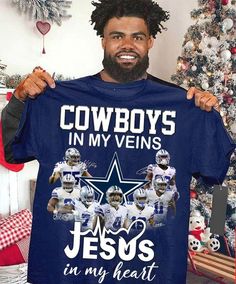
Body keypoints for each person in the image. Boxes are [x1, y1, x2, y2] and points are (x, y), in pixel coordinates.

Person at [1, 1, 234, 284]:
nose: (127, 44)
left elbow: (215, 175)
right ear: (103, 41)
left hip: (148, 272)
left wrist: (210, 116)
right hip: (67, 272)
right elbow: (11, 151)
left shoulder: (183, 105)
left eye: (136, 36)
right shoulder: (57, 100)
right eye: (116, 36)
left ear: (149, 42)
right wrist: (21, 99)